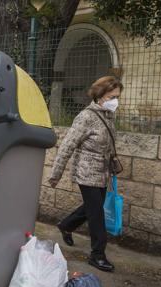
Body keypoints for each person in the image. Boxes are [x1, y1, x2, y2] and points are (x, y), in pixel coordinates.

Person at [48, 76, 123, 272]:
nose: (116, 101)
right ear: (100, 96)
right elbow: (67, 146)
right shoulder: (86, 117)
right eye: (112, 96)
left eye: (118, 97)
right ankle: (97, 255)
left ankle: (66, 225)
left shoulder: (108, 115)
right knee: (96, 213)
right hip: (86, 172)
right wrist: (55, 174)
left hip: (102, 173)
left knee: (92, 207)